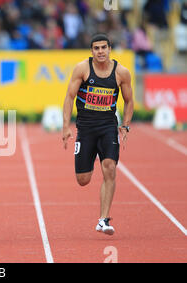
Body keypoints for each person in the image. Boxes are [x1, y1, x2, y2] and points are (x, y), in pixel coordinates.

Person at [62, 34, 134, 235]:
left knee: (109, 167)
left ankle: (103, 219)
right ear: (91, 51)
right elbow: (69, 97)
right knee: (83, 179)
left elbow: (129, 101)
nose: (100, 51)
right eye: (96, 48)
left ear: (110, 49)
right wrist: (65, 126)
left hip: (108, 127)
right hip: (85, 128)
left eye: (104, 47)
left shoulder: (121, 72)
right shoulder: (82, 69)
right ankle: (90, 157)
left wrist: (125, 126)